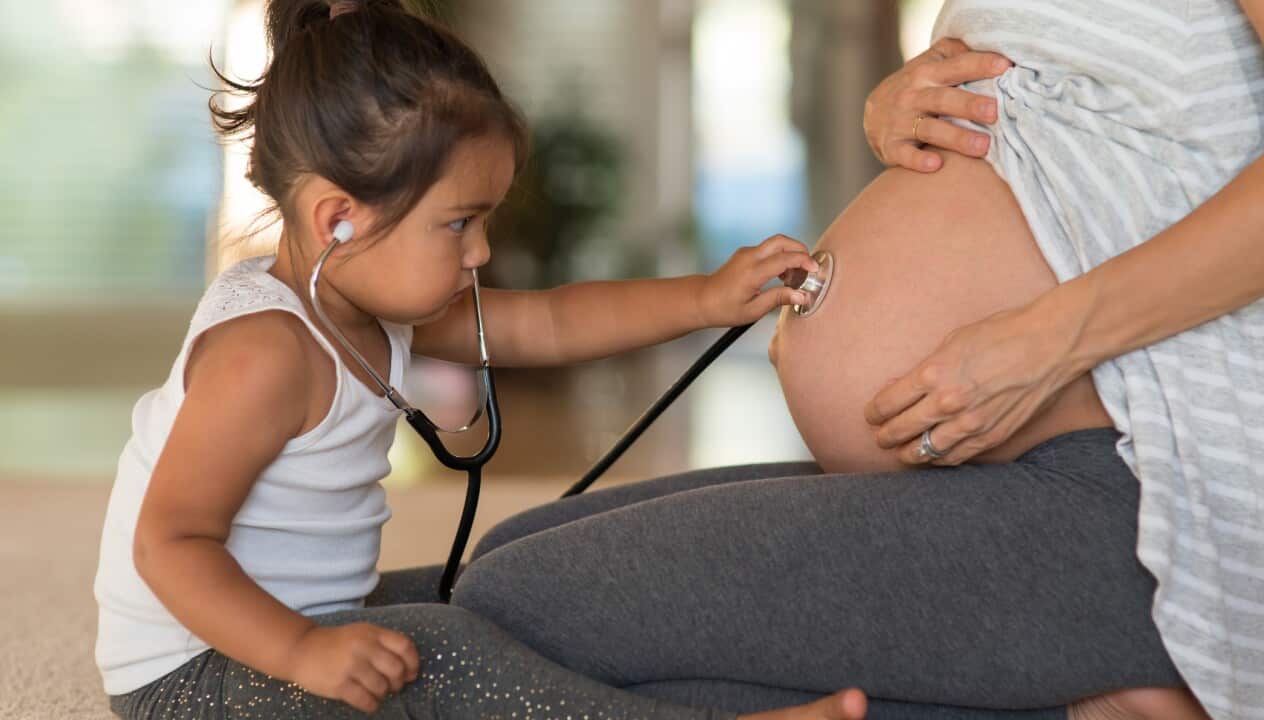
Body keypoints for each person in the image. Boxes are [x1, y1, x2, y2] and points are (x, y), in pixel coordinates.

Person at [445, 1, 1264, 719]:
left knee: (521, 607)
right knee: (509, 557)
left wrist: (1047, 341)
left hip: (1149, 484)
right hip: (1003, 472)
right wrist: (900, 103)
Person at [91, 1, 868, 718]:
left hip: (306, 625)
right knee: (448, 656)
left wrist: (706, 298)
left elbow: (552, 323)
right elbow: (169, 543)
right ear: (339, 221)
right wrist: (303, 653)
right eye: (459, 224)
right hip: (194, 678)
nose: (483, 250)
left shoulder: (370, 304)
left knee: (505, 593)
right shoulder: (265, 353)